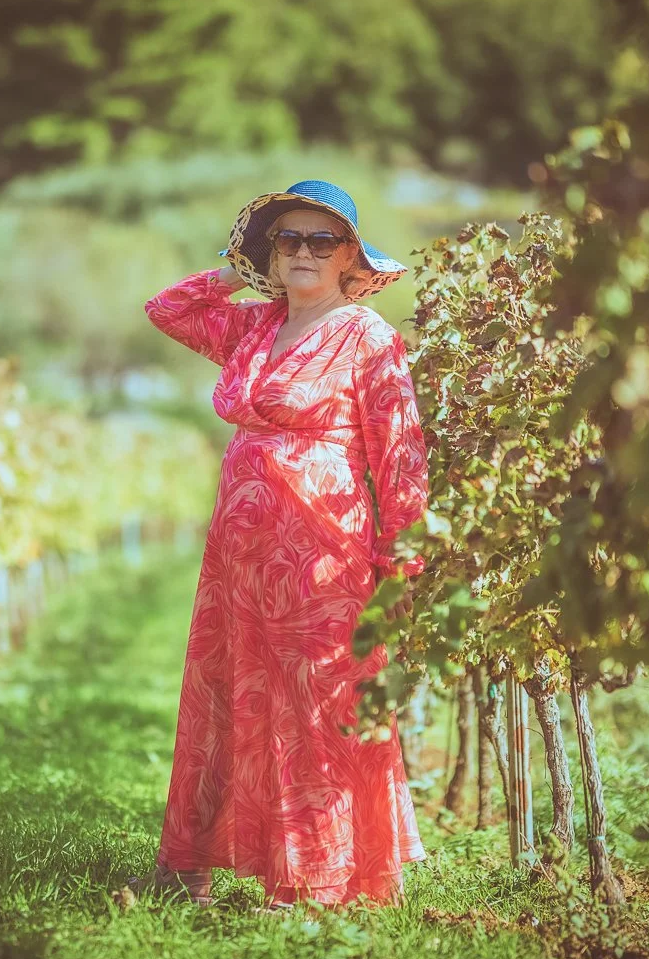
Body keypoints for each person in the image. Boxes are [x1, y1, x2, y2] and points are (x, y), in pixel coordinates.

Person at [125, 180, 428, 914]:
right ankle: (192, 862)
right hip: (236, 560)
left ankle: (313, 882)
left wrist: (403, 562)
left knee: (313, 706)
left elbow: (400, 455)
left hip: (324, 551)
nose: (302, 251)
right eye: (287, 238)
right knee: (223, 699)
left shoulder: (367, 336)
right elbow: (166, 308)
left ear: (350, 254)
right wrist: (240, 265)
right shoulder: (252, 328)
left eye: (321, 240)